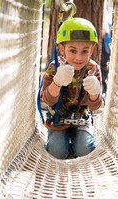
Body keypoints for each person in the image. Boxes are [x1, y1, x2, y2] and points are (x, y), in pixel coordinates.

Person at [41, 17, 102, 159]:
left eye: (85, 51)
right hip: (57, 117)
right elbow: (46, 100)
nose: (79, 57)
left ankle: (76, 147)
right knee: (57, 152)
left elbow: (95, 106)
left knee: (85, 150)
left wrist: (94, 92)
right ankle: (65, 149)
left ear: (92, 50)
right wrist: (56, 82)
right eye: (73, 50)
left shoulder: (93, 70)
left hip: (82, 118)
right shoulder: (54, 67)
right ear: (62, 49)